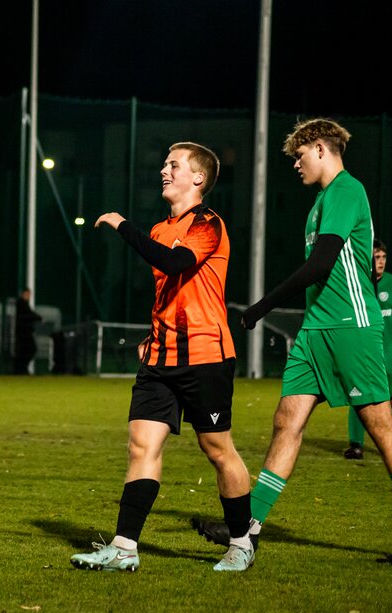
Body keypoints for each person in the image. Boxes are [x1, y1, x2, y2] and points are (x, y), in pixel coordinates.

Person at [192, 118, 392, 565]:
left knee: (380, 424)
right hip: (316, 330)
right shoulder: (320, 202)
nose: (296, 164)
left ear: (322, 149)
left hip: (351, 327)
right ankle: (248, 530)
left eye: (300, 155)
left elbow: (322, 263)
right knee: (286, 420)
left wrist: (261, 306)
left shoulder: (347, 191)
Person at [69, 141, 255, 573]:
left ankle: (242, 543)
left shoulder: (208, 223)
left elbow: (174, 264)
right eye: (165, 164)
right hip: (160, 358)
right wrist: (151, 334)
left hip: (206, 355)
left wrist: (122, 225)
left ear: (199, 178)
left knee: (217, 449)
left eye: (174, 165)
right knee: (141, 445)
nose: (164, 171)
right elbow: (169, 293)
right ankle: (124, 548)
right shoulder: (157, 229)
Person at [344, 239, 392, 460]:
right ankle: (356, 445)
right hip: (363, 354)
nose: (381, 261)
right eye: (376, 257)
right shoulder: (358, 285)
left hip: (391, 354)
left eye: (383, 257)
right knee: (358, 398)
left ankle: (389, 443)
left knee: (391, 400)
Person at [13, 288, 42, 374]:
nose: (28, 296)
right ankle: (21, 369)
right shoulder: (21, 304)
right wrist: (38, 317)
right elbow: (28, 314)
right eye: (27, 294)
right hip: (23, 333)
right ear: (23, 294)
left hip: (25, 332)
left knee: (25, 351)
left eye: (29, 295)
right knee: (30, 349)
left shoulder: (23, 304)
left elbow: (29, 314)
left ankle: (21, 369)